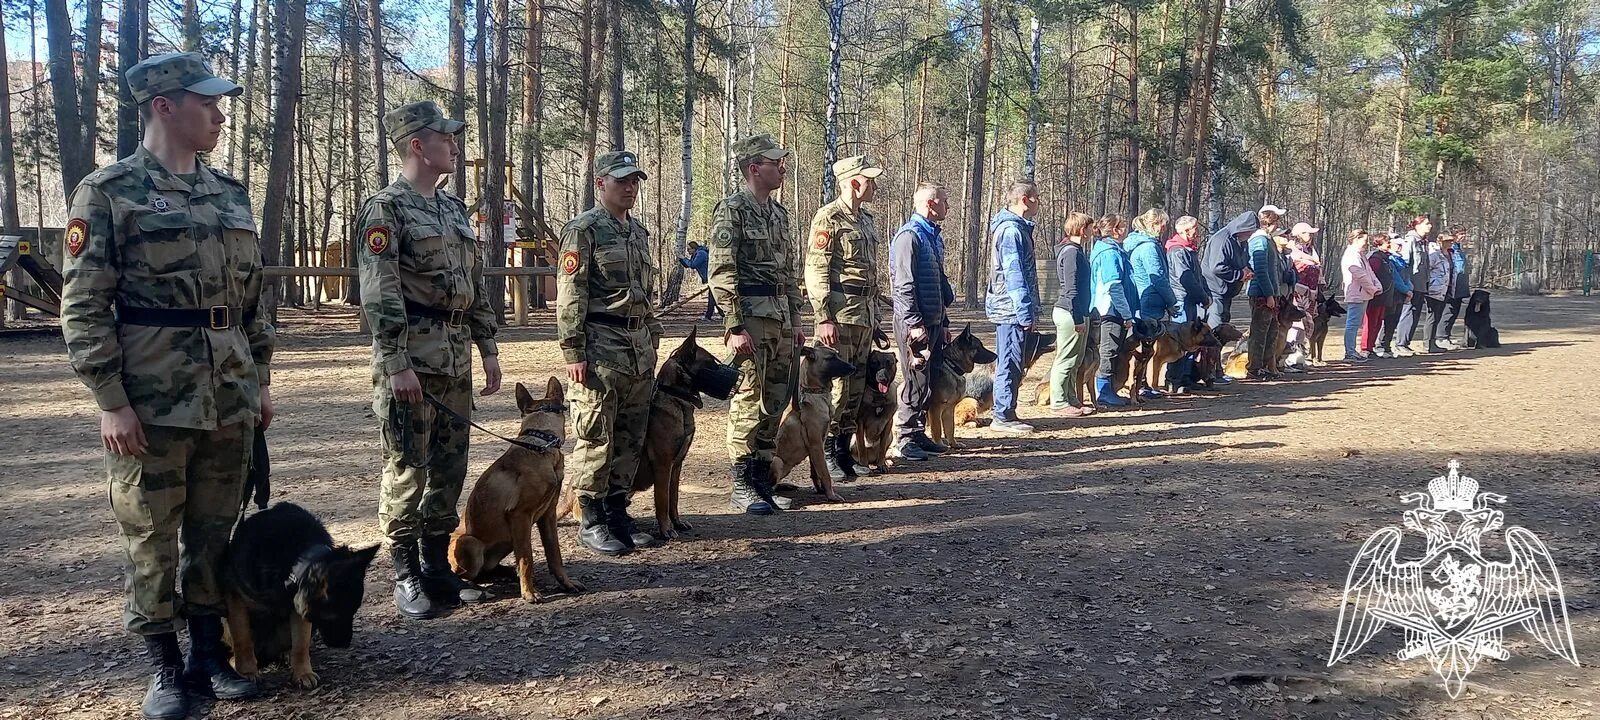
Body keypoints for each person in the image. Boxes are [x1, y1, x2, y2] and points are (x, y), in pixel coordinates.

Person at [59, 52, 272, 718]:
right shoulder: (109, 192)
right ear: (163, 106)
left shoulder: (229, 193)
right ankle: (165, 668)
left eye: (219, 102)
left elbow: (252, 303)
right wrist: (110, 399)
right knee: (151, 537)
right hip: (151, 400)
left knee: (214, 534)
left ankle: (208, 655)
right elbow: (84, 304)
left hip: (229, 395)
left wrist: (260, 380)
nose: (219, 113)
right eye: (205, 102)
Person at [359, 100, 500, 617]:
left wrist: (486, 346)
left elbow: (473, 284)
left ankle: (436, 563)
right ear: (417, 144)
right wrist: (396, 362)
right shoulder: (385, 209)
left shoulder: (452, 209)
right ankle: (404, 571)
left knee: (449, 464)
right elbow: (380, 290)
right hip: (412, 355)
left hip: (455, 354)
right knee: (407, 464)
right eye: (446, 137)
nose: (455, 145)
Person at [556, 151, 664, 553]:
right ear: (601, 184)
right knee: (596, 435)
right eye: (621, 181)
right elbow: (571, 295)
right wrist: (573, 351)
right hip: (600, 348)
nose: (630, 188)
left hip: (636, 350)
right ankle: (592, 517)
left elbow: (643, 293)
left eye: (635, 180)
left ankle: (618, 509)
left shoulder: (638, 233)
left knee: (630, 436)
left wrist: (652, 332)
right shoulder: (584, 230)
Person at [711, 134, 807, 514]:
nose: (782, 168)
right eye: (775, 163)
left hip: (781, 316)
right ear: (754, 168)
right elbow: (722, 270)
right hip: (751, 316)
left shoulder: (779, 214)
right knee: (749, 398)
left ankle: (762, 478)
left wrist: (797, 318)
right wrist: (734, 325)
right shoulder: (732, 210)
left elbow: (789, 272)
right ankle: (741, 483)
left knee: (775, 399)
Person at [806, 155, 884, 478]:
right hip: (839, 316)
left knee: (855, 386)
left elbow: (872, 276)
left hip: (863, 316)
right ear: (854, 182)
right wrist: (824, 316)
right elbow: (816, 270)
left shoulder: (866, 221)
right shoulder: (828, 218)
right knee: (837, 388)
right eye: (870, 180)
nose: (874, 185)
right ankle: (826, 453)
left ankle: (843, 450)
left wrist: (876, 317)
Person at [889, 183, 957, 454]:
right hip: (914, 323)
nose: (947, 207)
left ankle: (917, 432)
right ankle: (904, 437)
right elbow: (903, 284)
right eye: (944, 202)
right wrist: (914, 323)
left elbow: (938, 283)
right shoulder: (909, 237)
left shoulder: (932, 237)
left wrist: (944, 322)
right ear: (930, 204)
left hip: (933, 320)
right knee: (915, 378)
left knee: (928, 380)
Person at [983, 180, 1043, 433]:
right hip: (1009, 310)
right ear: (1024, 200)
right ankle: (1002, 415)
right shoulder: (1011, 231)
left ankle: (1008, 410)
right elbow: (1013, 273)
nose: (1039, 202)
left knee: (1015, 360)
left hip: (1013, 309)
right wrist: (1024, 310)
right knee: (1009, 361)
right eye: (1036, 198)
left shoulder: (1018, 229)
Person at [1199, 210, 1259, 383]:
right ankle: (1210, 373)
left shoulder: (1241, 242)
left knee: (1221, 332)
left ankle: (1217, 371)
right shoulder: (1222, 239)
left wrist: (1248, 270)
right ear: (1243, 228)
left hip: (1227, 292)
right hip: (1214, 290)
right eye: (1250, 231)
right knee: (1214, 332)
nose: (1250, 235)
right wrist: (1239, 275)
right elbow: (1216, 267)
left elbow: (1244, 261)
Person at [1124, 208, 1175, 397]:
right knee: (1145, 347)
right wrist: (1171, 301)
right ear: (1154, 224)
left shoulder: (1141, 244)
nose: (1164, 228)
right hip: (1149, 300)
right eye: (1162, 224)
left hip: (1144, 299)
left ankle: (1140, 385)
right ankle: (1141, 385)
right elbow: (1158, 277)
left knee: (1144, 346)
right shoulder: (1148, 247)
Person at [1089, 214, 1137, 406]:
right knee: (1109, 350)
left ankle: (1108, 389)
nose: (1126, 230)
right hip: (1109, 309)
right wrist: (1126, 313)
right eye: (1123, 226)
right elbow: (1113, 285)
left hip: (1113, 308)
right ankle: (1104, 392)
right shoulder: (1109, 253)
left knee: (1113, 348)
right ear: (1116, 229)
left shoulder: (1113, 250)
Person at [1050, 212, 1095, 415]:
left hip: (1078, 312)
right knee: (1066, 359)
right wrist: (1077, 318)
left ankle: (1070, 398)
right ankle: (1059, 401)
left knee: (1075, 360)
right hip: (1069, 313)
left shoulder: (1077, 251)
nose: (1092, 232)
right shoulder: (1071, 252)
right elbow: (1071, 288)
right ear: (1082, 229)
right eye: (1090, 228)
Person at [1165, 215, 1211, 390]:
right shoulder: (1177, 251)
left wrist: (1205, 294)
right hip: (1182, 300)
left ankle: (1186, 378)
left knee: (1192, 341)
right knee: (1181, 340)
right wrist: (1202, 297)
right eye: (1195, 230)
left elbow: (1198, 277)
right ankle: (1174, 380)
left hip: (1191, 301)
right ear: (1185, 231)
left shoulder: (1189, 250)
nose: (1197, 233)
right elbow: (1186, 279)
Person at [1245, 206, 1286, 379]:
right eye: (1277, 220)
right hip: (1261, 293)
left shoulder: (1267, 239)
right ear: (1270, 221)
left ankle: (1268, 366)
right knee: (1260, 332)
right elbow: (1261, 270)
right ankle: (1254, 368)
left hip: (1271, 292)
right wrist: (1269, 294)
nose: (1278, 225)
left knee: (1271, 331)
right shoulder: (1259, 240)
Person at [1392, 216, 1432, 356]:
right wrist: (1406, 285)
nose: (1430, 226)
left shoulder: (1423, 242)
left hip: (1422, 283)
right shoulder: (1411, 240)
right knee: (1408, 313)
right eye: (1426, 223)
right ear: (1417, 225)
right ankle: (1400, 344)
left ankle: (1406, 343)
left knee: (1415, 314)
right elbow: (1404, 264)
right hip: (1411, 284)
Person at [1339, 228, 1381, 362]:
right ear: (1356, 239)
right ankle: (1349, 352)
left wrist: (1377, 285)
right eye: (1364, 240)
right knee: (1352, 324)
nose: (1366, 243)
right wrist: (1372, 289)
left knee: (1356, 324)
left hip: (1364, 293)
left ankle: (1352, 351)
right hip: (1357, 293)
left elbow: (1369, 272)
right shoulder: (1351, 255)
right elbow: (1359, 275)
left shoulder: (1361, 254)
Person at [1376, 233, 1413, 356]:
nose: (1400, 247)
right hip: (1392, 294)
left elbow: (1406, 277)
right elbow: (1395, 279)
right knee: (1387, 320)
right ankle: (1380, 345)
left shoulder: (1400, 259)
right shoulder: (1390, 259)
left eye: (1401, 244)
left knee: (1394, 321)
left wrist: (1409, 289)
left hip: (1400, 295)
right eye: (1397, 244)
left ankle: (1387, 346)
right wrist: (1406, 290)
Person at [1360, 231, 1394, 357]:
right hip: (1375, 296)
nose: (1389, 244)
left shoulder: (1386, 258)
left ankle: (1371, 346)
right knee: (1370, 322)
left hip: (1384, 296)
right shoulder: (1375, 258)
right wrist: (1374, 290)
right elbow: (1371, 275)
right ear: (1379, 244)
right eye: (1387, 242)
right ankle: (1365, 348)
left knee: (1378, 322)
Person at [1438, 227, 1472, 349]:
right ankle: (1441, 337)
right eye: (1461, 234)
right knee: (1448, 311)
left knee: (1454, 312)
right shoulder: (1449, 249)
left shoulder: (1458, 248)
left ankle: (1446, 336)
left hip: (1460, 286)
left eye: (1464, 233)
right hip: (1451, 285)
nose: (1463, 236)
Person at [1424, 230, 1453, 353]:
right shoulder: (1434, 254)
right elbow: (1427, 269)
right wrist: (1431, 283)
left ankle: (1433, 341)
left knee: (1438, 316)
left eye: (1451, 241)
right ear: (1440, 241)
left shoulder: (1450, 254)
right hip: (1434, 289)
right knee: (1432, 317)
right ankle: (1428, 343)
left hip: (1445, 289)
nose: (1449, 243)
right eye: (1447, 241)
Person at [679, 240, 719, 321]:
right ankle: (719, 314)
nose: (688, 251)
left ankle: (709, 316)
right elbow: (688, 265)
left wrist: (684, 258)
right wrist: (681, 260)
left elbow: (693, 265)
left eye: (689, 249)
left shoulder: (701, 254)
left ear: (694, 248)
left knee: (713, 297)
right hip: (710, 278)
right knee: (714, 297)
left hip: (713, 277)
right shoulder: (696, 254)